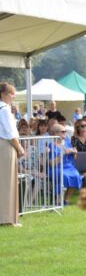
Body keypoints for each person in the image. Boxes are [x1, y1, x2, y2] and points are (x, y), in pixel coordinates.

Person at [0, 82, 25, 227]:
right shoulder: (4, 109)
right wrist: (20, 148)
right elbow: (10, 133)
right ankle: (7, 218)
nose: (13, 97)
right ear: (4, 94)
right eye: (11, 94)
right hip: (6, 145)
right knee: (7, 182)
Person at [48, 124, 82, 205]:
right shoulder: (51, 146)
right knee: (65, 176)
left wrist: (74, 153)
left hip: (69, 167)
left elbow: (74, 158)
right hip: (56, 168)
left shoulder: (67, 143)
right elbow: (51, 164)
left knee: (76, 175)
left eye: (65, 132)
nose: (65, 133)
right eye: (63, 132)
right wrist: (63, 153)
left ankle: (66, 199)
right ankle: (58, 199)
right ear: (55, 133)